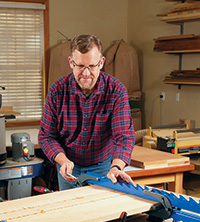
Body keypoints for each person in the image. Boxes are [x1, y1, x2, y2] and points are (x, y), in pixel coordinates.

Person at [39, 34, 135, 190]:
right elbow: (46, 136)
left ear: (101, 62)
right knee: (71, 212)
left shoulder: (116, 91)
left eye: (91, 66)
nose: (85, 73)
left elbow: (123, 137)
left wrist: (116, 168)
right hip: (68, 167)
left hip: (103, 167)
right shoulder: (57, 91)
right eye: (80, 66)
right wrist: (63, 162)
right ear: (71, 62)